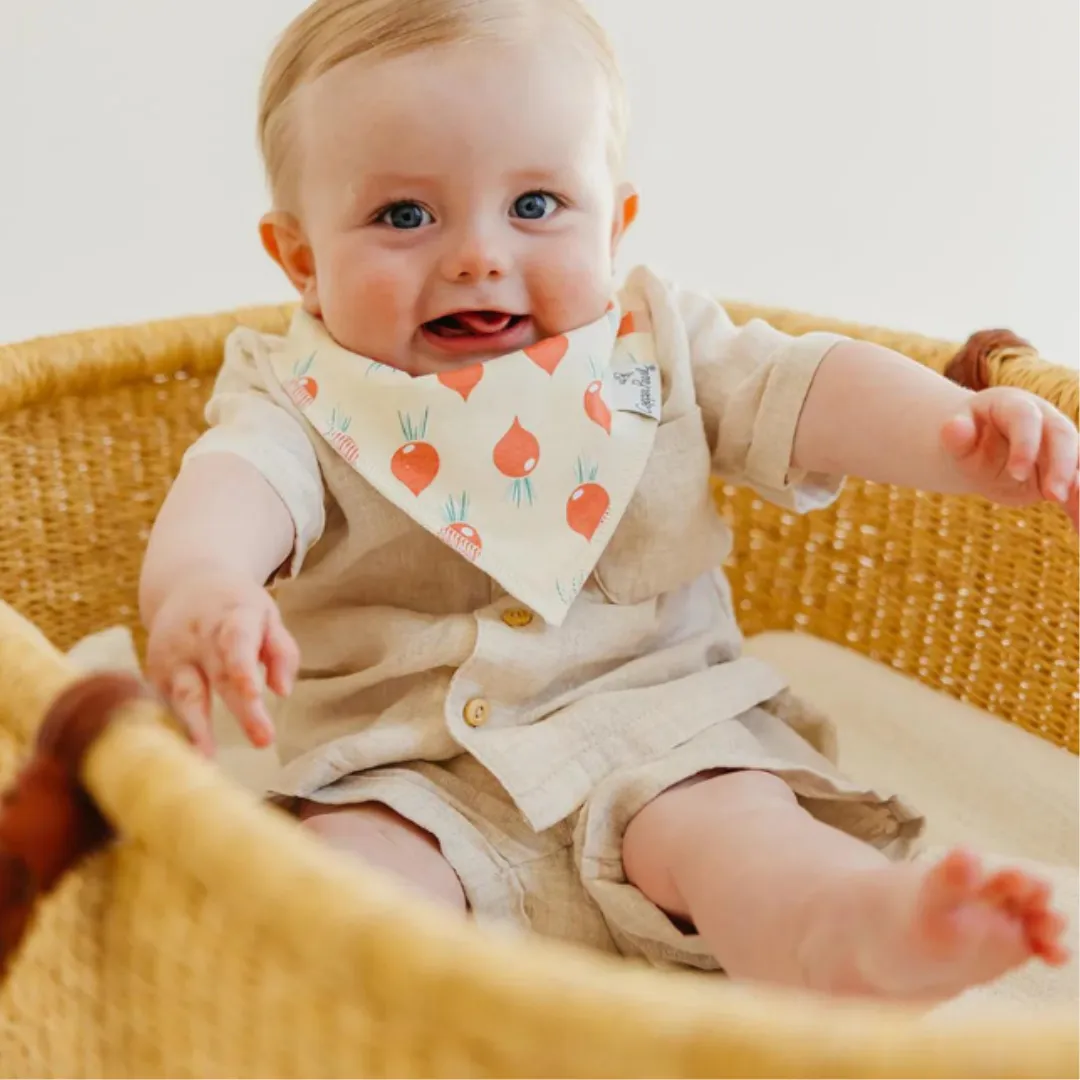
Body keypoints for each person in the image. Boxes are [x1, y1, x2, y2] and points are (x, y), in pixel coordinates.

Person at [139, 0, 1075, 999]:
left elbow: (804, 388)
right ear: (302, 260)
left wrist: (959, 436)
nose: (478, 256)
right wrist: (204, 578)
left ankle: (846, 934)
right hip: (403, 771)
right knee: (340, 900)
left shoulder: (654, 342)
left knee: (747, 841)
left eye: (535, 205)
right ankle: (388, 1019)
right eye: (405, 216)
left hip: (663, 734)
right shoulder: (295, 390)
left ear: (616, 222)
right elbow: (239, 479)